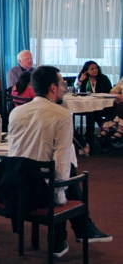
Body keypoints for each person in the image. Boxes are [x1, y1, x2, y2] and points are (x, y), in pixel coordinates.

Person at [8, 66, 111, 258]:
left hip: (16, 186)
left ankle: (65, 237)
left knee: (58, 167)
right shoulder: (62, 115)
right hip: (40, 192)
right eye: (62, 84)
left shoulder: (16, 112)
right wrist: (60, 197)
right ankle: (76, 230)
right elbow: (62, 163)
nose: (64, 88)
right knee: (66, 170)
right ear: (53, 88)